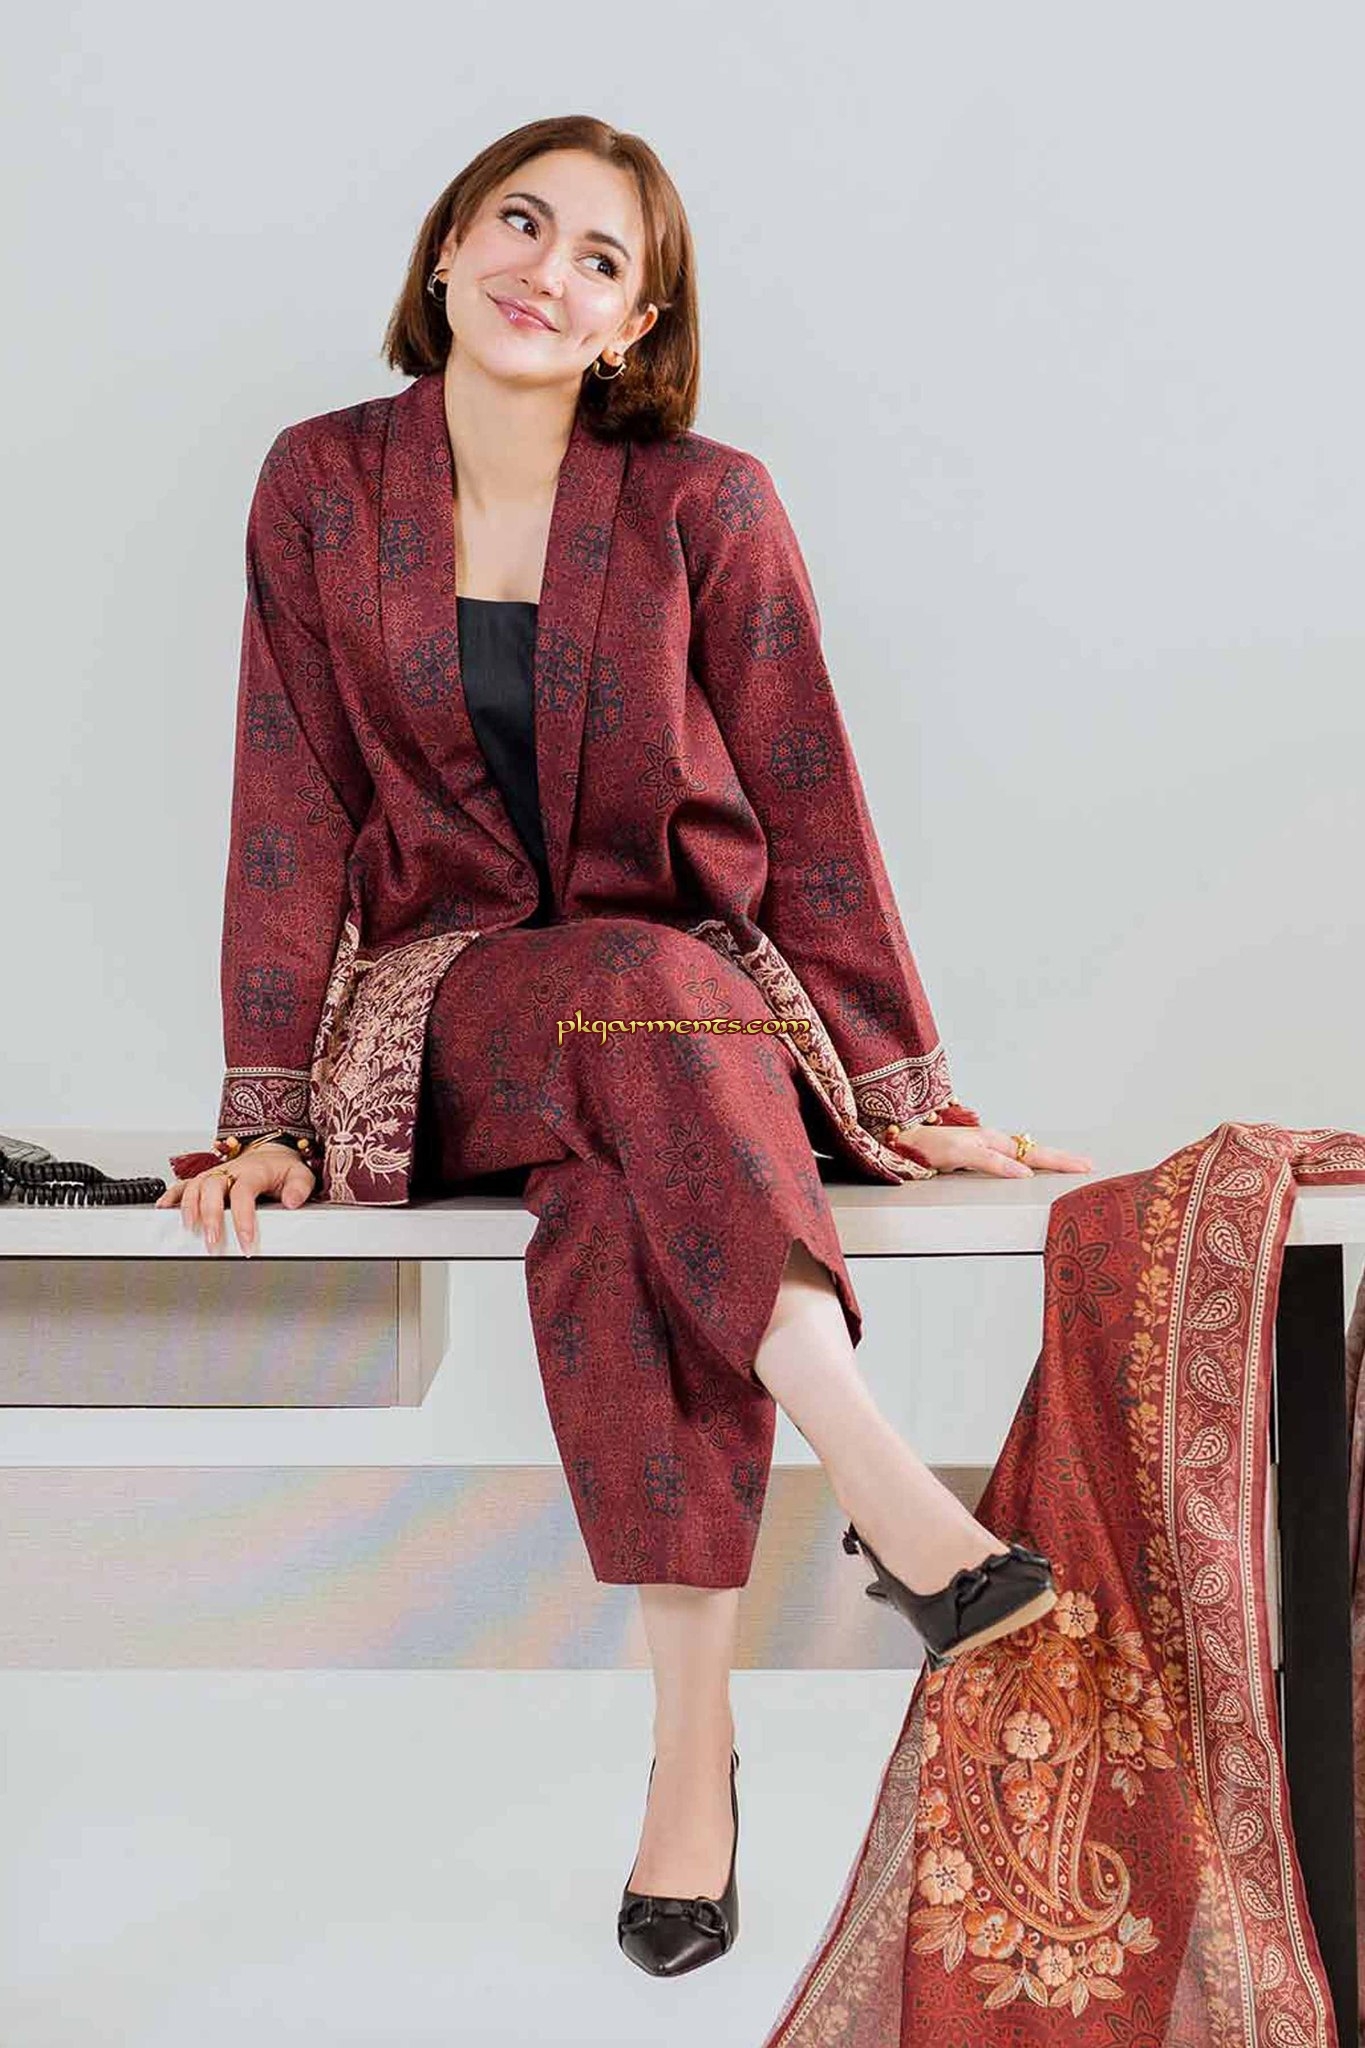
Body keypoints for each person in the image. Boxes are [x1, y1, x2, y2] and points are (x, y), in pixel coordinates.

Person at [156, 114, 1093, 1978]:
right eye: (520, 224)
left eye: (601, 259)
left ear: (634, 323)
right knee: (636, 993)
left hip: (685, 1042)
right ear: (446, 247)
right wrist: (266, 1109)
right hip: (453, 1015)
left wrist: (906, 1094)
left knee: (622, 1190)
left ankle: (687, 1755)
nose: (548, 272)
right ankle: (885, 1487)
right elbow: (289, 795)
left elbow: (808, 801)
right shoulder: (323, 483)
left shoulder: (703, 505)